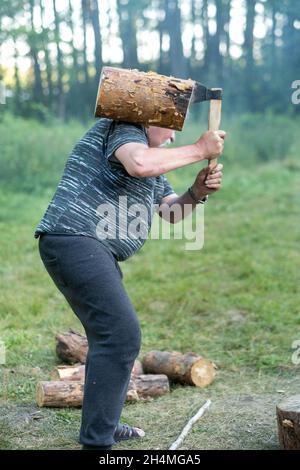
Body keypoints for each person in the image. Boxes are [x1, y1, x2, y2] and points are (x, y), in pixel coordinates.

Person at [34, 118, 226, 450]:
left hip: (92, 248)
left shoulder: (150, 156)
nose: (173, 136)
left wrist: (196, 192)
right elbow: (138, 163)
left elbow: (170, 212)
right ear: (150, 119)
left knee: (107, 337)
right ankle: (98, 444)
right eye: (169, 127)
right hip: (75, 241)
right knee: (121, 334)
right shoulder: (124, 129)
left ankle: (102, 428)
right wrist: (199, 149)